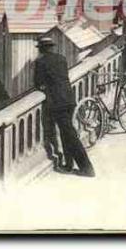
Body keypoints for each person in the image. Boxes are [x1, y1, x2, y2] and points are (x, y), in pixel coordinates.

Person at [33, 37, 95, 177]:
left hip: (56, 102)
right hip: (69, 98)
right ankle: (68, 164)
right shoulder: (61, 58)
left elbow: (38, 83)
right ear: (52, 47)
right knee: (66, 133)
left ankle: (87, 168)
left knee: (70, 135)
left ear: (42, 49)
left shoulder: (40, 62)